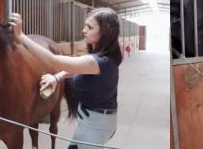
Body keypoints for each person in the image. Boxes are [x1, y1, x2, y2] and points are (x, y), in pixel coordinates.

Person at [9, 8, 123, 149]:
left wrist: (21, 36)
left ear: (105, 32)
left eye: (90, 27)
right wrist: (57, 77)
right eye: (85, 25)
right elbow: (76, 68)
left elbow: (53, 60)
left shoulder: (99, 61)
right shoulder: (98, 58)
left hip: (97, 124)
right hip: (91, 119)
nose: (84, 30)